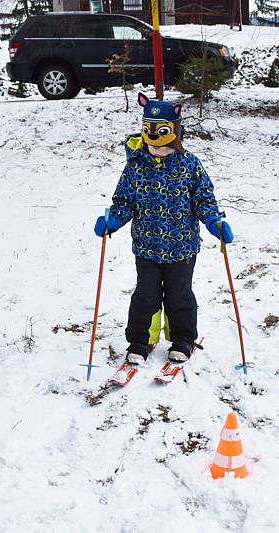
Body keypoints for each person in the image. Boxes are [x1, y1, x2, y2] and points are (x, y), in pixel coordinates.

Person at [93, 93, 234, 365]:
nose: (160, 149)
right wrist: (113, 221)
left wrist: (213, 222)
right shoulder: (135, 166)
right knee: (145, 295)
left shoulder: (190, 165)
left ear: (176, 137)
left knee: (179, 294)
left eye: (167, 144)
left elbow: (204, 199)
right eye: (155, 143)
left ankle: (182, 338)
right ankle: (140, 340)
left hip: (182, 247)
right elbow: (124, 201)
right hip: (146, 247)